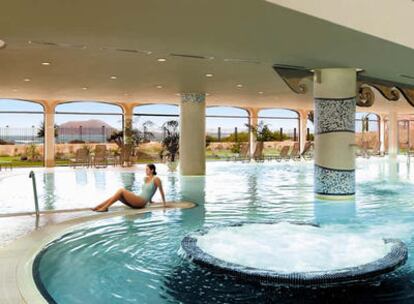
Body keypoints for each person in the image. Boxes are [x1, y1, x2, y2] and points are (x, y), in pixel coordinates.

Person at [92, 164, 166, 212]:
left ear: (152, 170)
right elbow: (148, 191)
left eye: (147, 169)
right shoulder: (145, 179)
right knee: (118, 195)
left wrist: (164, 204)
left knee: (121, 190)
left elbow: (160, 191)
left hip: (141, 202)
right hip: (138, 199)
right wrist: (150, 200)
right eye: (145, 169)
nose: (145, 171)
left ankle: (105, 207)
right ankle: (99, 206)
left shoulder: (156, 179)